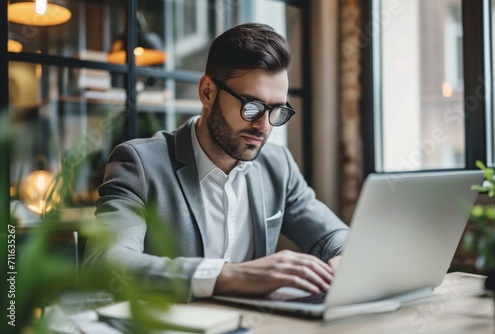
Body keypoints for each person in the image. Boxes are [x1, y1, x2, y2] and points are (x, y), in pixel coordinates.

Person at [83, 23, 350, 302]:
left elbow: (334, 236)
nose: (263, 126)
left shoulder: (278, 165)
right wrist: (233, 275)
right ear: (207, 92)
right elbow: (105, 263)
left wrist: (345, 259)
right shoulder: (140, 164)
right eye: (251, 106)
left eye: (276, 111)